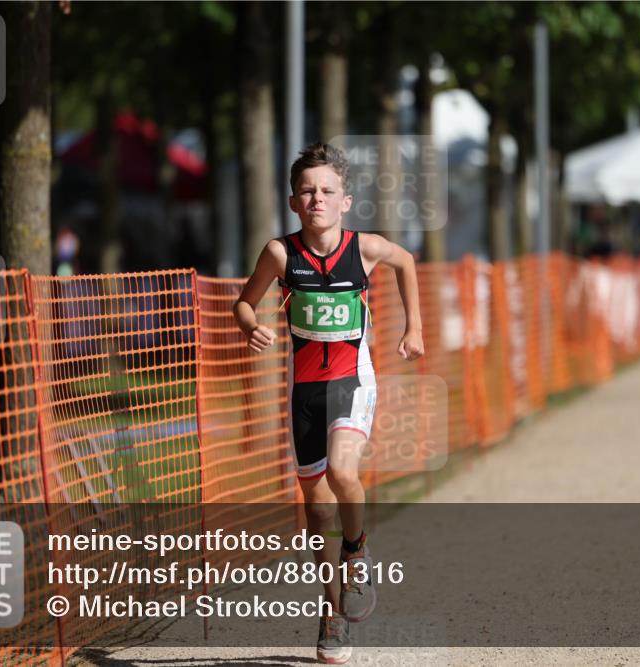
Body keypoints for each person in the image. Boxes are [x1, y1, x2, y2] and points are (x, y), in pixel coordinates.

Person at [233, 142, 424, 664]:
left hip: (351, 380)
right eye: (307, 191)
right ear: (294, 202)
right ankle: (332, 612)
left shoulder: (364, 249)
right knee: (316, 512)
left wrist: (415, 328)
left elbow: (406, 262)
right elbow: (245, 302)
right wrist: (251, 327)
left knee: (344, 472)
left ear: (346, 200)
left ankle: (357, 548)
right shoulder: (280, 253)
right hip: (304, 393)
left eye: (327, 191)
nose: (317, 199)